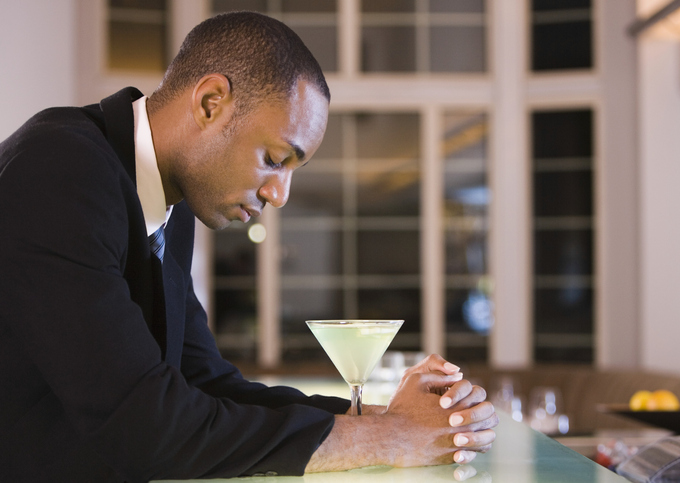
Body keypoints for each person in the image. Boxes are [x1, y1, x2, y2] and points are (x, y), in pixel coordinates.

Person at [0, 11, 497, 482]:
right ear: (211, 102)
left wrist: (377, 415)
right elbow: (145, 427)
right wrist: (385, 439)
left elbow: (206, 384)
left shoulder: (166, 202)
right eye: (275, 159)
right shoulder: (61, 170)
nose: (278, 196)